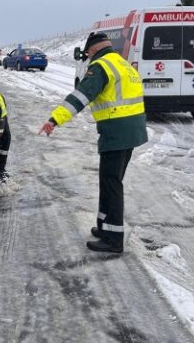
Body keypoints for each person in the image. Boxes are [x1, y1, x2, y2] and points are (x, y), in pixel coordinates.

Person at [38, 32, 147, 253]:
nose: (88, 58)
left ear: (94, 50)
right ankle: (105, 227)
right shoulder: (123, 64)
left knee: (111, 183)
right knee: (109, 180)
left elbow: (81, 96)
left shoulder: (101, 67)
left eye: (88, 54)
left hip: (117, 132)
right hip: (132, 130)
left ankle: (114, 239)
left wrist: (54, 119)